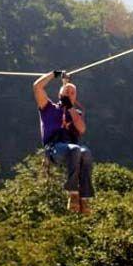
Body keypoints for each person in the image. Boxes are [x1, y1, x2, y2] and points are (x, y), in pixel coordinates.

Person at [33, 70, 94, 214]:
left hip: (71, 150)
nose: (70, 94)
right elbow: (37, 87)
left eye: (73, 93)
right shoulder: (49, 108)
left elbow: (81, 129)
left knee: (85, 152)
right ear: (60, 95)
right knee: (75, 149)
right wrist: (53, 74)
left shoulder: (75, 113)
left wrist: (71, 107)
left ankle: (84, 198)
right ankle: (73, 193)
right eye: (67, 92)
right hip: (54, 149)